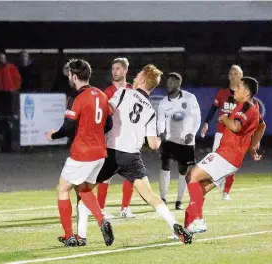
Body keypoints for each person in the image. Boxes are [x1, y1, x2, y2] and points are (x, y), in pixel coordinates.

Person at [77, 65, 193, 245]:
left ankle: (82, 236)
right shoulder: (150, 110)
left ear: (143, 81)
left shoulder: (123, 92)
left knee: (84, 190)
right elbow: (154, 144)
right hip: (132, 157)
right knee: (151, 196)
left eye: (138, 75)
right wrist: (163, 139)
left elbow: (107, 111)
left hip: (111, 151)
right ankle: (174, 224)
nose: (135, 77)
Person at [46, 59, 114, 247]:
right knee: (83, 190)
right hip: (100, 154)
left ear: (74, 76)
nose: (69, 77)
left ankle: (69, 236)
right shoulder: (101, 95)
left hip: (82, 154)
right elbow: (109, 124)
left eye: (69, 75)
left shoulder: (76, 97)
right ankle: (102, 219)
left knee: (62, 189)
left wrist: (54, 135)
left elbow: (67, 127)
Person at [185, 77, 265, 234]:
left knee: (191, 177)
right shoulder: (253, 107)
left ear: (247, 92)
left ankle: (199, 221)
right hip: (232, 160)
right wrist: (253, 147)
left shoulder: (246, 107)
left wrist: (223, 118)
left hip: (227, 155)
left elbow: (235, 126)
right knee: (199, 190)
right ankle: (187, 229)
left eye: (239, 87)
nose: (235, 89)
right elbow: (262, 125)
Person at [200, 65, 265, 200]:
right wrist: (206, 123)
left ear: (242, 76)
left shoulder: (249, 101)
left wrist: (254, 143)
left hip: (236, 138)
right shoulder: (222, 93)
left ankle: (226, 191)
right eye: (231, 73)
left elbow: (260, 124)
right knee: (216, 164)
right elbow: (213, 109)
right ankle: (203, 190)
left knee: (229, 165)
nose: (234, 76)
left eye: (237, 73)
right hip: (221, 133)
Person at [157, 72, 201, 210]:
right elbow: (160, 120)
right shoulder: (163, 102)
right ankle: (163, 198)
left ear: (178, 84)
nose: (168, 84)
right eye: (167, 82)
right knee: (165, 167)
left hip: (185, 140)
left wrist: (192, 134)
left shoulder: (190, 98)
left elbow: (197, 117)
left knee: (183, 171)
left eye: (172, 82)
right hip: (170, 139)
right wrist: (161, 133)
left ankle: (179, 200)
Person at [99, 57, 136, 219]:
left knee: (130, 175)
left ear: (126, 71)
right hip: (111, 139)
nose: (114, 72)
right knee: (106, 176)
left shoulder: (133, 90)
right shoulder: (107, 92)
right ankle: (100, 209)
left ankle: (125, 208)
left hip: (129, 140)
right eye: (113, 69)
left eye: (118, 69)